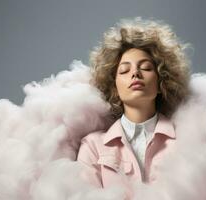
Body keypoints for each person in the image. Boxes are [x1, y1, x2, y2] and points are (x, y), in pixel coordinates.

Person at [77, 17, 190, 198]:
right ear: (114, 87)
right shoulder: (93, 146)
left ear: (162, 82)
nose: (135, 73)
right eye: (124, 70)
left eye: (146, 68)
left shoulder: (187, 138)